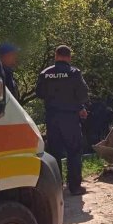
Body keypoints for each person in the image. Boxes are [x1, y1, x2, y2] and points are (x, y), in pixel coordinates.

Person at [36, 45, 90, 195]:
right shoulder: (74, 73)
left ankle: (56, 187)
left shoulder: (45, 73)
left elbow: (39, 93)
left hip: (52, 118)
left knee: (54, 153)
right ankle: (74, 187)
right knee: (74, 151)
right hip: (70, 119)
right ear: (69, 57)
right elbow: (83, 94)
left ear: (56, 56)